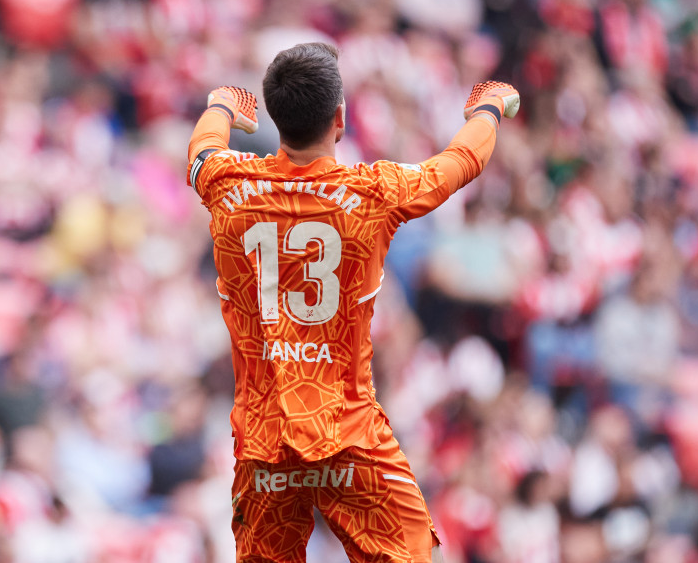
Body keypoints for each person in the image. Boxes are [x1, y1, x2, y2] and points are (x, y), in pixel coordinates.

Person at [186, 42, 519, 563]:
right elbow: (461, 162)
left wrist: (223, 104)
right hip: (349, 434)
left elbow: (202, 149)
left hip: (264, 443)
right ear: (339, 118)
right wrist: (489, 105)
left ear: (276, 117)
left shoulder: (224, 183)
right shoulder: (372, 195)